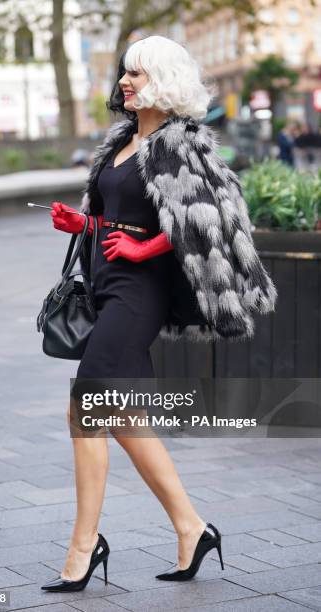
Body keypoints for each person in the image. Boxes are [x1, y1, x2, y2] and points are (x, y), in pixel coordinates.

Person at [41, 35, 277, 593]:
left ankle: (83, 546)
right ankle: (192, 529)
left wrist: (146, 249)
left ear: (164, 80)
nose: (126, 82)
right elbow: (123, 215)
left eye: (138, 75)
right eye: (125, 73)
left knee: (86, 407)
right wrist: (85, 226)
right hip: (108, 286)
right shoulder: (123, 140)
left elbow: (217, 220)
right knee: (118, 417)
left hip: (140, 294)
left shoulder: (180, 143)